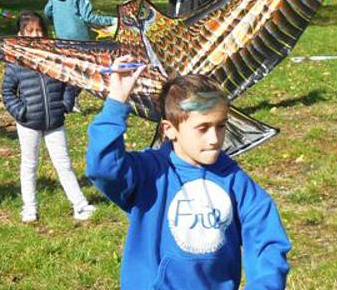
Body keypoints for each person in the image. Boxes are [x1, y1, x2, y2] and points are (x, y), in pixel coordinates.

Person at [86, 58, 291, 289]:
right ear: (169, 130)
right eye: (202, 128)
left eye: (221, 126)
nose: (214, 139)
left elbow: (267, 241)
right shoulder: (149, 174)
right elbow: (103, 167)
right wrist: (116, 102)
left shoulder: (234, 180)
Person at [0, 11, 96, 223]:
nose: (35, 35)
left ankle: (80, 205)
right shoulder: (16, 62)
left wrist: (66, 104)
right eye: (30, 31)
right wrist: (20, 111)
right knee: (29, 165)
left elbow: (70, 81)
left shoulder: (55, 58)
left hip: (55, 122)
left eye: (39, 30)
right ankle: (29, 208)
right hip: (28, 124)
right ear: (21, 34)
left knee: (64, 164)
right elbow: (7, 92)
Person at [44, 0, 116, 112]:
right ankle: (69, 102)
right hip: (79, 39)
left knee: (65, 68)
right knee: (81, 70)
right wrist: (111, 20)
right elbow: (89, 17)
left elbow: (47, 11)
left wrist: (56, 23)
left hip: (61, 36)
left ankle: (62, 100)